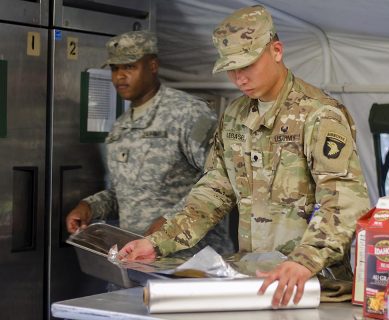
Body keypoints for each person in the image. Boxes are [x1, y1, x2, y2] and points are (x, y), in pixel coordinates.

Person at [119, 5, 370, 307]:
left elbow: (344, 200)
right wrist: (158, 243)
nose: (239, 78)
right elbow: (214, 190)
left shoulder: (319, 114)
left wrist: (305, 260)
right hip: (254, 282)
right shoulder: (236, 115)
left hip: (313, 285)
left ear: (276, 51)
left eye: (247, 65)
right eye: (231, 68)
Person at [65, 30, 234, 255]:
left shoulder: (188, 113)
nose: (119, 77)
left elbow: (222, 178)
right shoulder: (121, 127)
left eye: (129, 67)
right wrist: (90, 207)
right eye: (115, 68)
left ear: (153, 66)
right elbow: (127, 193)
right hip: (137, 259)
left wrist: (170, 221)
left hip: (188, 264)